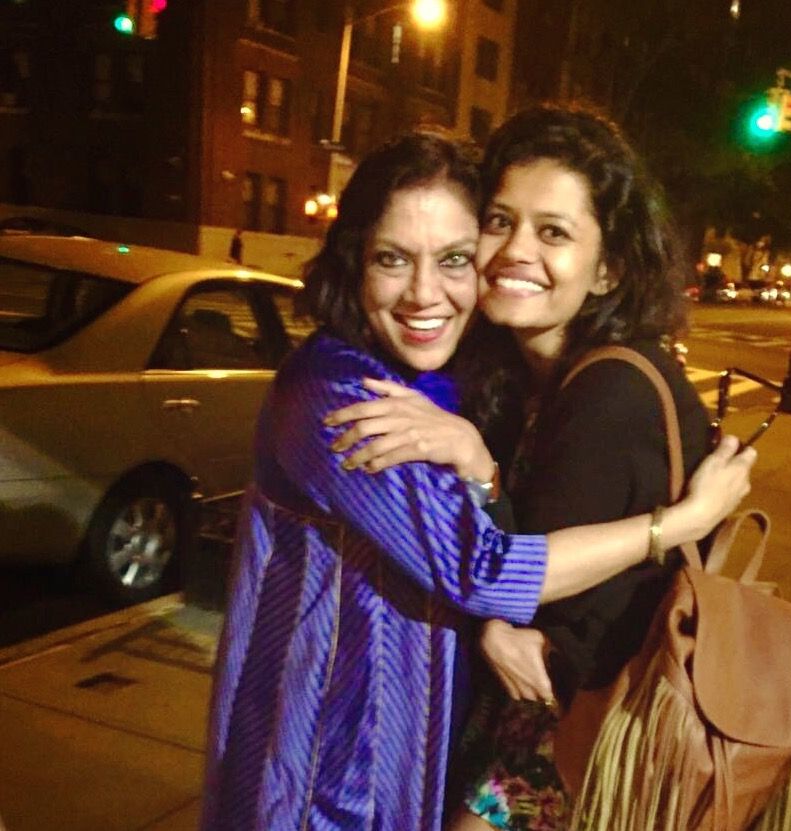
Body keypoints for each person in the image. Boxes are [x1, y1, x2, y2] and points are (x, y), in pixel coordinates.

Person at [201, 131, 754, 831]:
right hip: (330, 766)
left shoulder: (584, 390)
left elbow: (518, 578)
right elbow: (483, 567)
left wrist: (668, 527)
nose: (424, 292)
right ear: (353, 262)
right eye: (392, 258)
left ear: (607, 269)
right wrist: (672, 524)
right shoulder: (347, 395)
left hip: (482, 749)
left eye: (454, 258)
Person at [326, 106, 721, 831]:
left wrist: (480, 480)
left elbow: (528, 602)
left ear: (607, 270)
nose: (514, 250)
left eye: (553, 233)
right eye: (501, 221)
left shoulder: (610, 394)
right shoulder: (525, 378)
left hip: (561, 757)